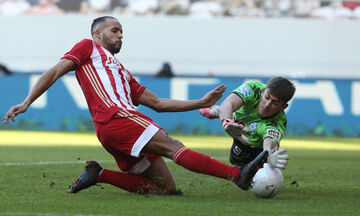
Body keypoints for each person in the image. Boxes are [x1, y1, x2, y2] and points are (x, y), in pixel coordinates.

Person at [3, 16, 269, 195]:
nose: (120, 36)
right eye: (114, 30)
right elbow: (55, 71)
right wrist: (27, 101)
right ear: (98, 33)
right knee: (173, 146)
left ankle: (99, 174)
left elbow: (158, 103)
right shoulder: (87, 48)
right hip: (118, 118)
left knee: (164, 188)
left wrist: (200, 102)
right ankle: (237, 174)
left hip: (112, 130)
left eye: (122, 32)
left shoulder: (121, 71)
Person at [200, 77, 295, 169]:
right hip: (236, 123)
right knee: (226, 108)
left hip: (249, 143)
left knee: (238, 162)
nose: (267, 105)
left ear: (283, 107)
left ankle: (219, 112)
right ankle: (219, 112)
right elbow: (229, 103)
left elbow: (269, 143)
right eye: (267, 97)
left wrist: (270, 155)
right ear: (263, 91)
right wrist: (226, 122)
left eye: (275, 103)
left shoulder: (276, 123)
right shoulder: (253, 88)